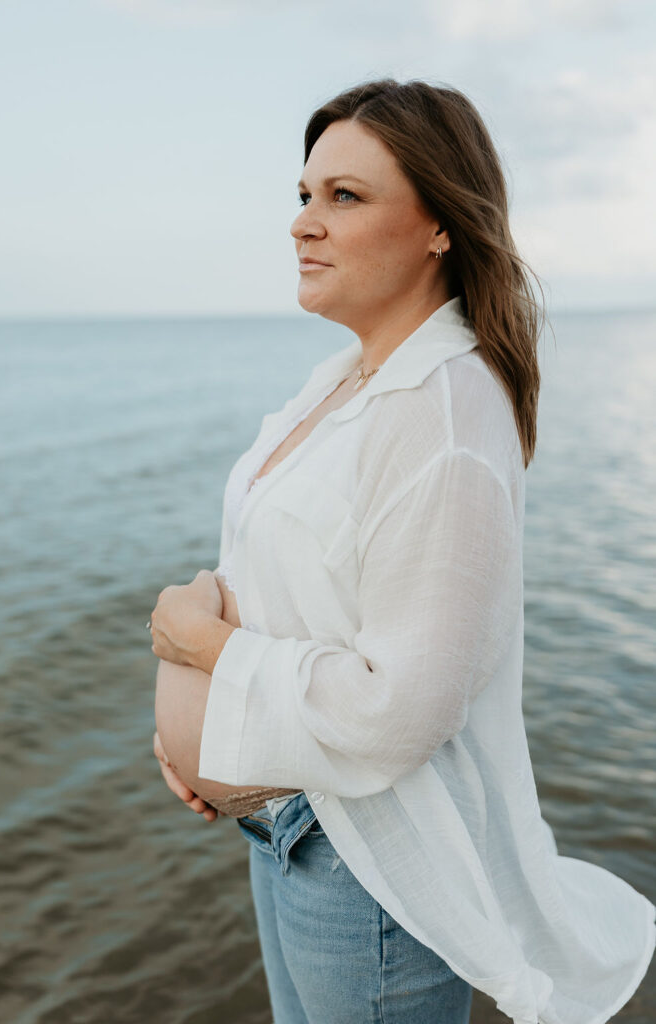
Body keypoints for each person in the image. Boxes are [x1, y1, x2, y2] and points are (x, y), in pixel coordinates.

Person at [149, 78, 655, 1024]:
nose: (304, 223)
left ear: (438, 226)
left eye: (345, 197)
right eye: (303, 195)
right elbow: (286, 579)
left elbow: (401, 712)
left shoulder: (445, 416)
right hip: (289, 829)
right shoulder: (343, 381)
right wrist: (194, 731)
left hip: (364, 867)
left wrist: (200, 650)